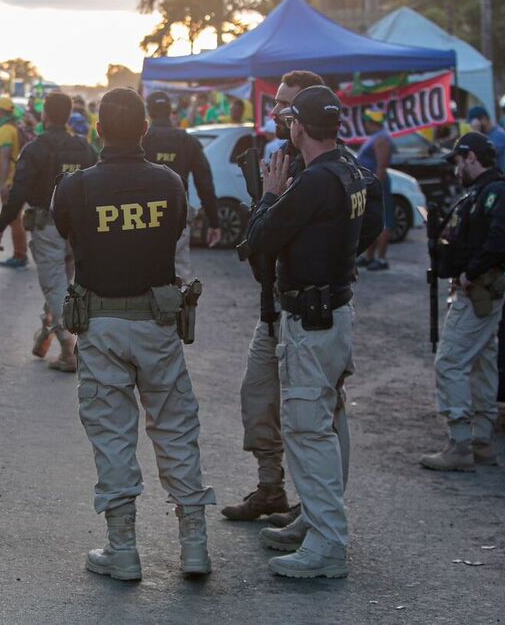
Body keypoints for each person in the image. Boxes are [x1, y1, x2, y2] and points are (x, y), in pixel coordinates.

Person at [53, 87, 216, 581]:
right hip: (157, 324)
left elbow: (68, 234)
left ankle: (122, 550)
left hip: (101, 326)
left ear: (97, 131)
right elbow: (173, 236)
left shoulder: (75, 188)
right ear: (145, 130)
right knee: (176, 431)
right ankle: (195, 547)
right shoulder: (169, 183)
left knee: (112, 436)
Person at [243, 84, 380, 579]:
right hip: (332, 310)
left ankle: (327, 546)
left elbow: (260, 239)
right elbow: (368, 230)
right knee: (313, 424)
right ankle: (315, 525)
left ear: (298, 125)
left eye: (288, 117)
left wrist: (268, 198)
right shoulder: (351, 171)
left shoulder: (317, 181)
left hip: (313, 319)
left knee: (307, 429)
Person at [222, 69, 324, 525]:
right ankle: (270, 489)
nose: (279, 111)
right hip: (273, 305)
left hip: (308, 309)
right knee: (257, 397)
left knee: (310, 414)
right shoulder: (279, 157)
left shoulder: (322, 168)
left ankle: (313, 508)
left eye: (288, 104)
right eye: (277, 102)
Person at [420, 133, 505, 472]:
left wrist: (472, 271)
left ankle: (460, 444)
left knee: (450, 362)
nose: (455, 168)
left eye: (457, 161)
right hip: (479, 287)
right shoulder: (487, 191)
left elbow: (502, 237)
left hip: (478, 289)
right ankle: (481, 441)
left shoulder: (496, 192)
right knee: (481, 360)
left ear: (470, 157)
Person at [0, 91, 98, 371]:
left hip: (48, 227)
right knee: (62, 286)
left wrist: (2, 225)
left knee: (55, 287)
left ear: (45, 115)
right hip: (77, 229)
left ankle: (69, 349)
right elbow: (97, 183)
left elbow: (19, 191)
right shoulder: (84, 148)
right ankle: (49, 333)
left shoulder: (36, 149)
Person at [141, 91, 221, 281]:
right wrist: (214, 222)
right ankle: (180, 309)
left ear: (149, 112)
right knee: (180, 275)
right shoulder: (187, 141)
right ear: (170, 111)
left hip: (143, 212)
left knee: (145, 272)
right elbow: (205, 183)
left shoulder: (141, 141)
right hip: (177, 212)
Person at [356, 105, 394, 271]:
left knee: (384, 220)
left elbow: (381, 165)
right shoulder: (377, 137)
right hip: (371, 184)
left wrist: (376, 186)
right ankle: (369, 256)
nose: (365, 125)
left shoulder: (381, 138)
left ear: (372, 122)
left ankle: (381, 258)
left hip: (378, 184)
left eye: (367, 122)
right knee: (372, 219)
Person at [0, 96, 28, 269]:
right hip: (16, 177)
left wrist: (3, 182)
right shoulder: (14, 126)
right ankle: (20, 253)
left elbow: (5, 157)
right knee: (16, 219)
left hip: (10, 180)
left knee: (14, 220)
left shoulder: (5, 129)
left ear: (0, 111)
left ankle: (20, 255)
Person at [467, 106, 505, 174]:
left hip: (497, 177)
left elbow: (486, 155)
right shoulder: (483, 133)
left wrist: (476, 132)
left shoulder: (499, 134)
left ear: (484, 119)